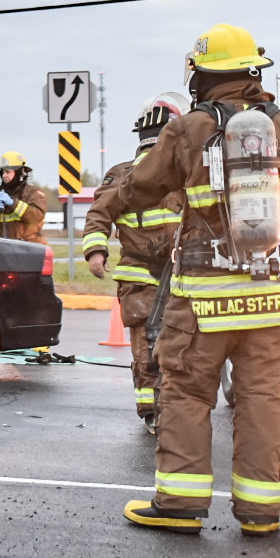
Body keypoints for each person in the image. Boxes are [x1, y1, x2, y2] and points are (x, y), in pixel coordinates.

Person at [115, 24, 280, 537]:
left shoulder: (189, 129)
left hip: (204, 305)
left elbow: (141, 186)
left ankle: (180, 505)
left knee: (186, 393)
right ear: (253, 71)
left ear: (201, 75)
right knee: (266, 399)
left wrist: (112, 201)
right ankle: (261, 514)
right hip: (279, 303)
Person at [82, 92, 187, 431]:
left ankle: (176, 409)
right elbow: (99, 215)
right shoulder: (124, 175)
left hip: (184, 274)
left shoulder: (187, 174)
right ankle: (153, 411)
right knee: (146, 345)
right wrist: (95, 251)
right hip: (140, 274)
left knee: (182, 345)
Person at [0, 152, 49, 245]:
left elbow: (37, 217)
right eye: (3, 172)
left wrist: (13, 203)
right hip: (7, 247)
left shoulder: (34, 193)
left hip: (32, 247)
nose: (4, 175)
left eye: (7, 172)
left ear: (20, 173)